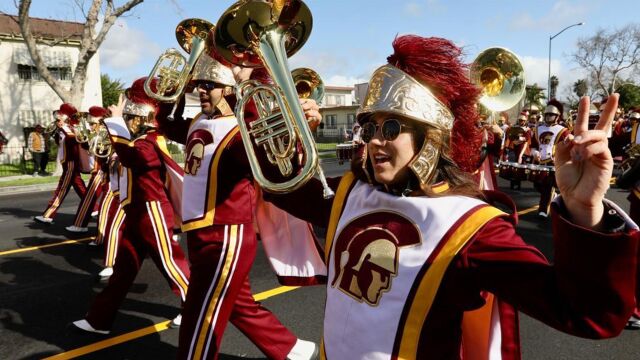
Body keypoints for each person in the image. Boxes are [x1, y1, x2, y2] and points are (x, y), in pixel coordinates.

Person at [263, 35, 638, 359]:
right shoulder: (352, 193)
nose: (375, 138)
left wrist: (585, 209)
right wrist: (267, 106)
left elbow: (587, 314)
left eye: (391, 126)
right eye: (369, 125)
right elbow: (282, 187)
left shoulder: (468, 228)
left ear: (431, 137)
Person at [160, 52, 318, 360]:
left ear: (230, 88)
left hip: (227, 237)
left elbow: (275, 166)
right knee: (238, 303)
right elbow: (166, 125)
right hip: (201, 233)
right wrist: (172, 93)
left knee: (200, 315)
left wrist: (297, 126)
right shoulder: (199, 121)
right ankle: (291, 348)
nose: (201, 89)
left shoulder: (240, 132)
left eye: (211, 83)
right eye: (200, 83)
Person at [71, 78, 190, 334]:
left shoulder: (151, 137)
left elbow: (135, 157)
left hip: (153, 210)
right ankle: (99, 319)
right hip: (137, 210)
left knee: (171, 263)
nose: (125, 109)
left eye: (131, 103)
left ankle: (195, 308)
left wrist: (114, 123)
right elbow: (114, 159)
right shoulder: (138, 136)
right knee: (123, 272)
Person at [34, 104, 87, 224]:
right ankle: (94, 207)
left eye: (59, 118)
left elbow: (73, 141)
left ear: (66, 118)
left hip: (70, 164)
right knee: (80, 187)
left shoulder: (70, 129)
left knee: (61, 190)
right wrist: (56, 132)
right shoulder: (64, 129)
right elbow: (61, 144)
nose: (57, 120)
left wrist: (62, 129)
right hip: (68, 163)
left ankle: (48, 215)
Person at [66, 107, 110, 233]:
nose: (90, 126)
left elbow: (101, 153)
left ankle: (80, 225)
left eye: (92, 124)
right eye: (90, 124)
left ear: (101, 123)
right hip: (102, 171)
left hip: (103, 171)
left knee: (89, 198)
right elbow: (88, 148)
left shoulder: (106, 133)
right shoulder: (98, 134)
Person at [529, 100, 570, 217]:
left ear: (557, 116)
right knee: (537, 184)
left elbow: (566, 147)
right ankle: (551, 196)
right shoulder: (538, 128)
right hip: (540, 160)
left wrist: (558, 156)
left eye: (551, 115)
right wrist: (534, 153)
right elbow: (533, 145)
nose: (548, 117)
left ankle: (542, 210)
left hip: (553, 162)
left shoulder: (563, 131)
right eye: (546, 114)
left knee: (547, 185)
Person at [502, 112, 532, 190]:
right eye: (520, 120)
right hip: (514, 148)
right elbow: (510, 136)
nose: (521, 121)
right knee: (513, 167)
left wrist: (519, 139)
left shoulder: (527, 129)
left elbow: (527, 140)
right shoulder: (514, 127)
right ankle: (512, 183)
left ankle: (518, 185)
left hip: (522, 149)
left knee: (519, 168)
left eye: (522, 120)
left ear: (525, 121)